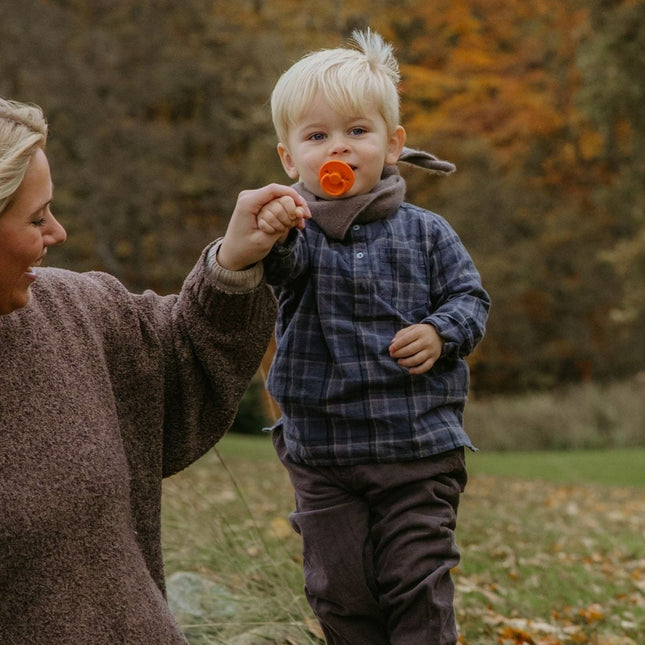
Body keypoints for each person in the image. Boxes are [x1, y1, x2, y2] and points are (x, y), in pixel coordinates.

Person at [0, 97, 309, 643]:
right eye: (35, 217)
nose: (58, 232)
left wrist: (234, 262)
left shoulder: (72, 311)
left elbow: (179, 357)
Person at [256, 30, 491, 644]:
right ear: (290, 160)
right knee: (340, 589)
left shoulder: (429, 233)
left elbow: (471, 299)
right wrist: (272, 230)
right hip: (324, 454)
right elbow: (272, 273)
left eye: (357, 131)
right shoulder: (298, 236)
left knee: (415, 582)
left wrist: (442, 333)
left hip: (416, 447)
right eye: (317, 136)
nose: (340, 147)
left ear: (393, 144)